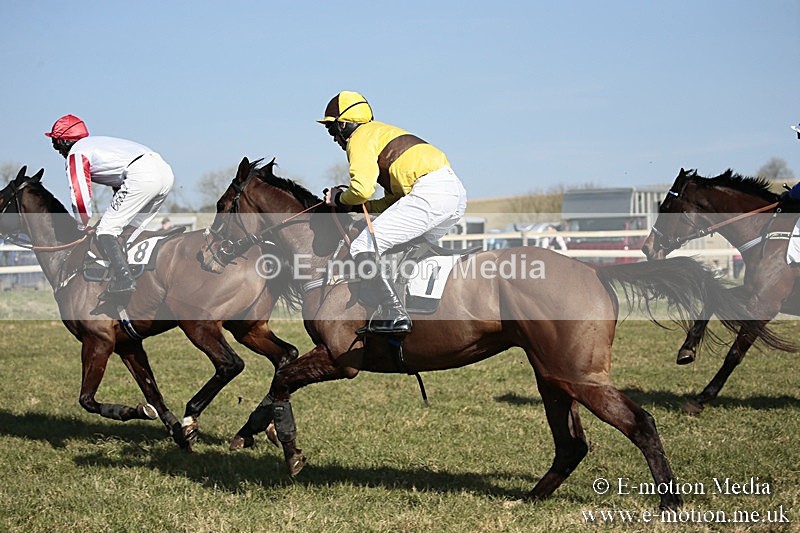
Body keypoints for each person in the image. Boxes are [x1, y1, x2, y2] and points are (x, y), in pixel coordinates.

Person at [319, 91, 467, 335]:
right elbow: (393, 201)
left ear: (344, 124)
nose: (334, 138)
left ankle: (394, 312)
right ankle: (415, 307)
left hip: (430, 193)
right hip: (453, 194)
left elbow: (362, 189)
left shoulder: (359, 137)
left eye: (331, 129)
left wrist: (339, 199)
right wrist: (357, 207)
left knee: (362, 245)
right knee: (406, 249)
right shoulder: (381, 134)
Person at [45, 114, 174, 300]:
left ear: (65, 141)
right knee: (130, 231)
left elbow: (80, 195)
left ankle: (124, 280)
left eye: (55, 143)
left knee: (106, 230)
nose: (57, 150)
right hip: (165, 172)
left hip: (142, 176)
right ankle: (144, 280)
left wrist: (82, 225)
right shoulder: (97, 144)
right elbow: (118, 184)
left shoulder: (76, 154)